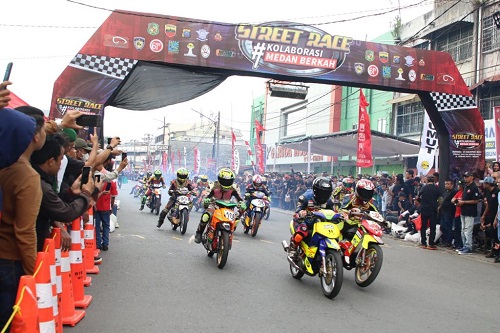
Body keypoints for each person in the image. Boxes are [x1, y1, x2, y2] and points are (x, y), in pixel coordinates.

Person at [0, 103, 45, 331]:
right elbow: (25, 231)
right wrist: (32, 273)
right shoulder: (26, 176)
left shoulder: (4, 166)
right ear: (34, 136)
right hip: (9, 263)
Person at [30, 133, 95, 252]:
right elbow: (64, 212)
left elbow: (53, 202)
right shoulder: (40, 185)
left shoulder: (39, 180)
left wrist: (70, 192)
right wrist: (85, 194)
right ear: (51, 161)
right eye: (60, 160)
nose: (61, 165)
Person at [194, 168, 245, 243]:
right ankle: (199, 233)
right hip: (214, 205)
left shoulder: (234, 187)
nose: (226, 183)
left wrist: (242, 203)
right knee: (206, 216)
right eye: (224, 181)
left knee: (237, 217)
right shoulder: (213, 185)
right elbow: (206, 196)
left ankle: (230, 232)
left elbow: (239, 198)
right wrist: (206, 200)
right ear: (219, 179)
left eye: (228, 181)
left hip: (228, 207)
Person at [289, 177, 334, 254]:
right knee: (301, 232)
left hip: (320, 223)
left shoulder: (329, 201)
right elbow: (298, 210)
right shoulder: (305, 197)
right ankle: (293, 247)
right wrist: (302, 212)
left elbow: (333, 212)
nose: (324, 195)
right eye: (322, 192)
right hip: (304, 221)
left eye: (326, 193)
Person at [456, 171, 480, 255]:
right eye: (465, 177)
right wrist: (460, 201)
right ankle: (464, 245)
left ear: (472, 177)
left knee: (468, 230)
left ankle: (469, 247)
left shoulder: (474, 187)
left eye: (467, 176)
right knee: (463, 229)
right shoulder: (466, 186)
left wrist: (464, 202)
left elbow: (476, 200)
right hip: (463, 210)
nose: (465, 178)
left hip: (470, 211)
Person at [416, 175, 442, 250]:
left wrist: (422, 203)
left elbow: (418, 198)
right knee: (432, 227)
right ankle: (431, 244)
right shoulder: (436, 189)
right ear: (434, 181)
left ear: (427, 181)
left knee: (423, 226)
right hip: (433, 209)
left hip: (424, 209)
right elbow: (440, 199)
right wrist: (438, 206)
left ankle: (423, 243)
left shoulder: (423, 188)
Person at [479, 177, 498, 258]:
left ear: (488, 184)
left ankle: (495, 251)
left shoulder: (497, 191)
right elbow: (488, 205)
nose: (483, 185)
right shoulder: (487, 192)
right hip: (489, 213)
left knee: (495, 234)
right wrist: (483, 215)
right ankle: (491, 249)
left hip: (496, 214)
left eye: (485, 183)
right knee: (489, 232)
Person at [438, 179, 457, 247]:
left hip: (449, 212)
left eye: (448, 184)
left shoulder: (454, 192)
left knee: (448, 226)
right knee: (442, 226)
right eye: (445, 184)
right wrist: (440, 206)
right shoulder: (446, 192)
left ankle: (448, 241)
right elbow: (443, 200)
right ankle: (445, 240)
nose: (446, 185)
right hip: (443, 211)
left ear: (452, 185)